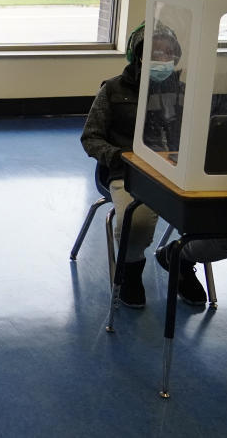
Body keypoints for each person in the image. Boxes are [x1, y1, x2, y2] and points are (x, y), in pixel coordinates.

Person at [80, 23, 193, 308]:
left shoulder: (183, 92)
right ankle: (131, 270)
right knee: (138, 220)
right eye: (155, 52)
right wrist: (119, 157)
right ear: (138, 55)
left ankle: (182, 260)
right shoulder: (113, 89)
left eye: (169, 53)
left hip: (177, 172)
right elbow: (90, 138)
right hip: (128, 172)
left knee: (209, 217)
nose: (162, 59)